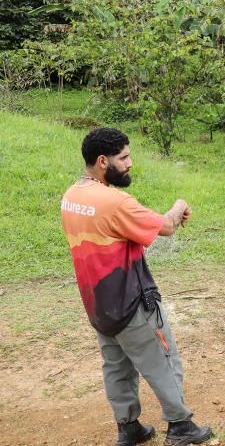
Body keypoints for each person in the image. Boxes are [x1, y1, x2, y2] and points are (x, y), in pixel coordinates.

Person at [60, 128, 212, 446]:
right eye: (124, 157)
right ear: (103, 161)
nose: (130, 163)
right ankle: (181, 425)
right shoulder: (114, 201)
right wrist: (179, 204)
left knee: (116, 365)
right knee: (163, 358)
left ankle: (128, 428)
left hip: (98, 304)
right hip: (131, 301)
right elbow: (167, 226)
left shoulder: (71, 197)